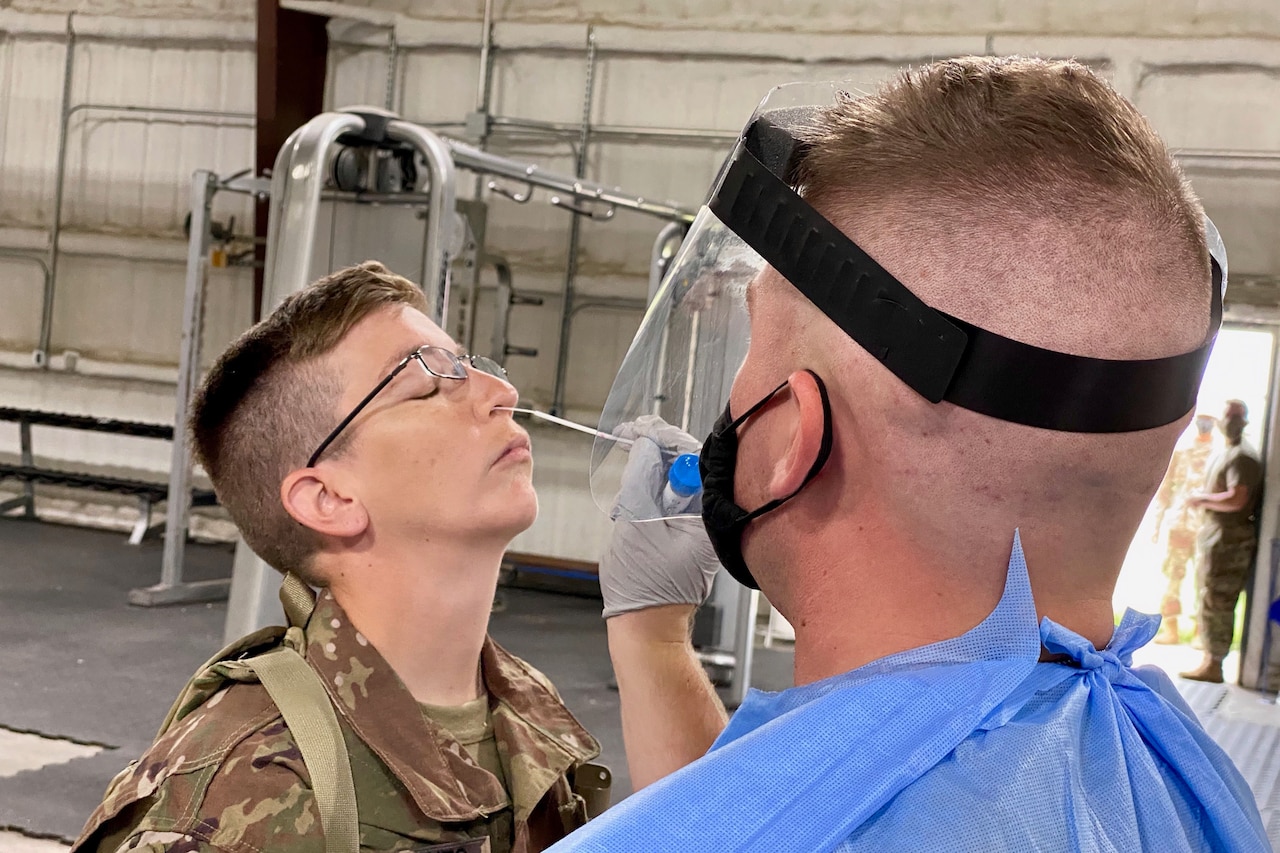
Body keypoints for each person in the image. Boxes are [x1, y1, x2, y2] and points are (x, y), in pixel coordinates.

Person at [552, 57, 1269, 851]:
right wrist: (654, 643)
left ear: (795, 432)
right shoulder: (1187, 776)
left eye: (755, 342)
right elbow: (781, 802)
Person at [73, 262, 603, 853]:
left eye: (470, 369)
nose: (502, 394)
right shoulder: (240, 795)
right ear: (328, 499)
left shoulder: (524, 709)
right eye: (427, 385)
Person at [1181, 400, 1264, 683]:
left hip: (1230, 541)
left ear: (1246, 420)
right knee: (1209, 597)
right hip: (1217, 537)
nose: (1231, 421)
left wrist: (1200, 499)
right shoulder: (1227, 452)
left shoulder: (1242, 457)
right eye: (1228, 415)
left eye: (1237, 416)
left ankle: (1214, 663)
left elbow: (1237, 498)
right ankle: (1209, 658)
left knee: (1218, 601)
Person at [1151, 413, 1217, 644]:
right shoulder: (1182, 451)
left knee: (1205, 580)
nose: (1204, 424)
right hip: (1180, 524)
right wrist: (1157, 525)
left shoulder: (1218, 453)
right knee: (1173, 577)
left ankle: (1201, 633)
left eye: (1209, 420)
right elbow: (1166, 488)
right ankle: (1171, 629)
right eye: (1202, 419)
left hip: (1207, 527)